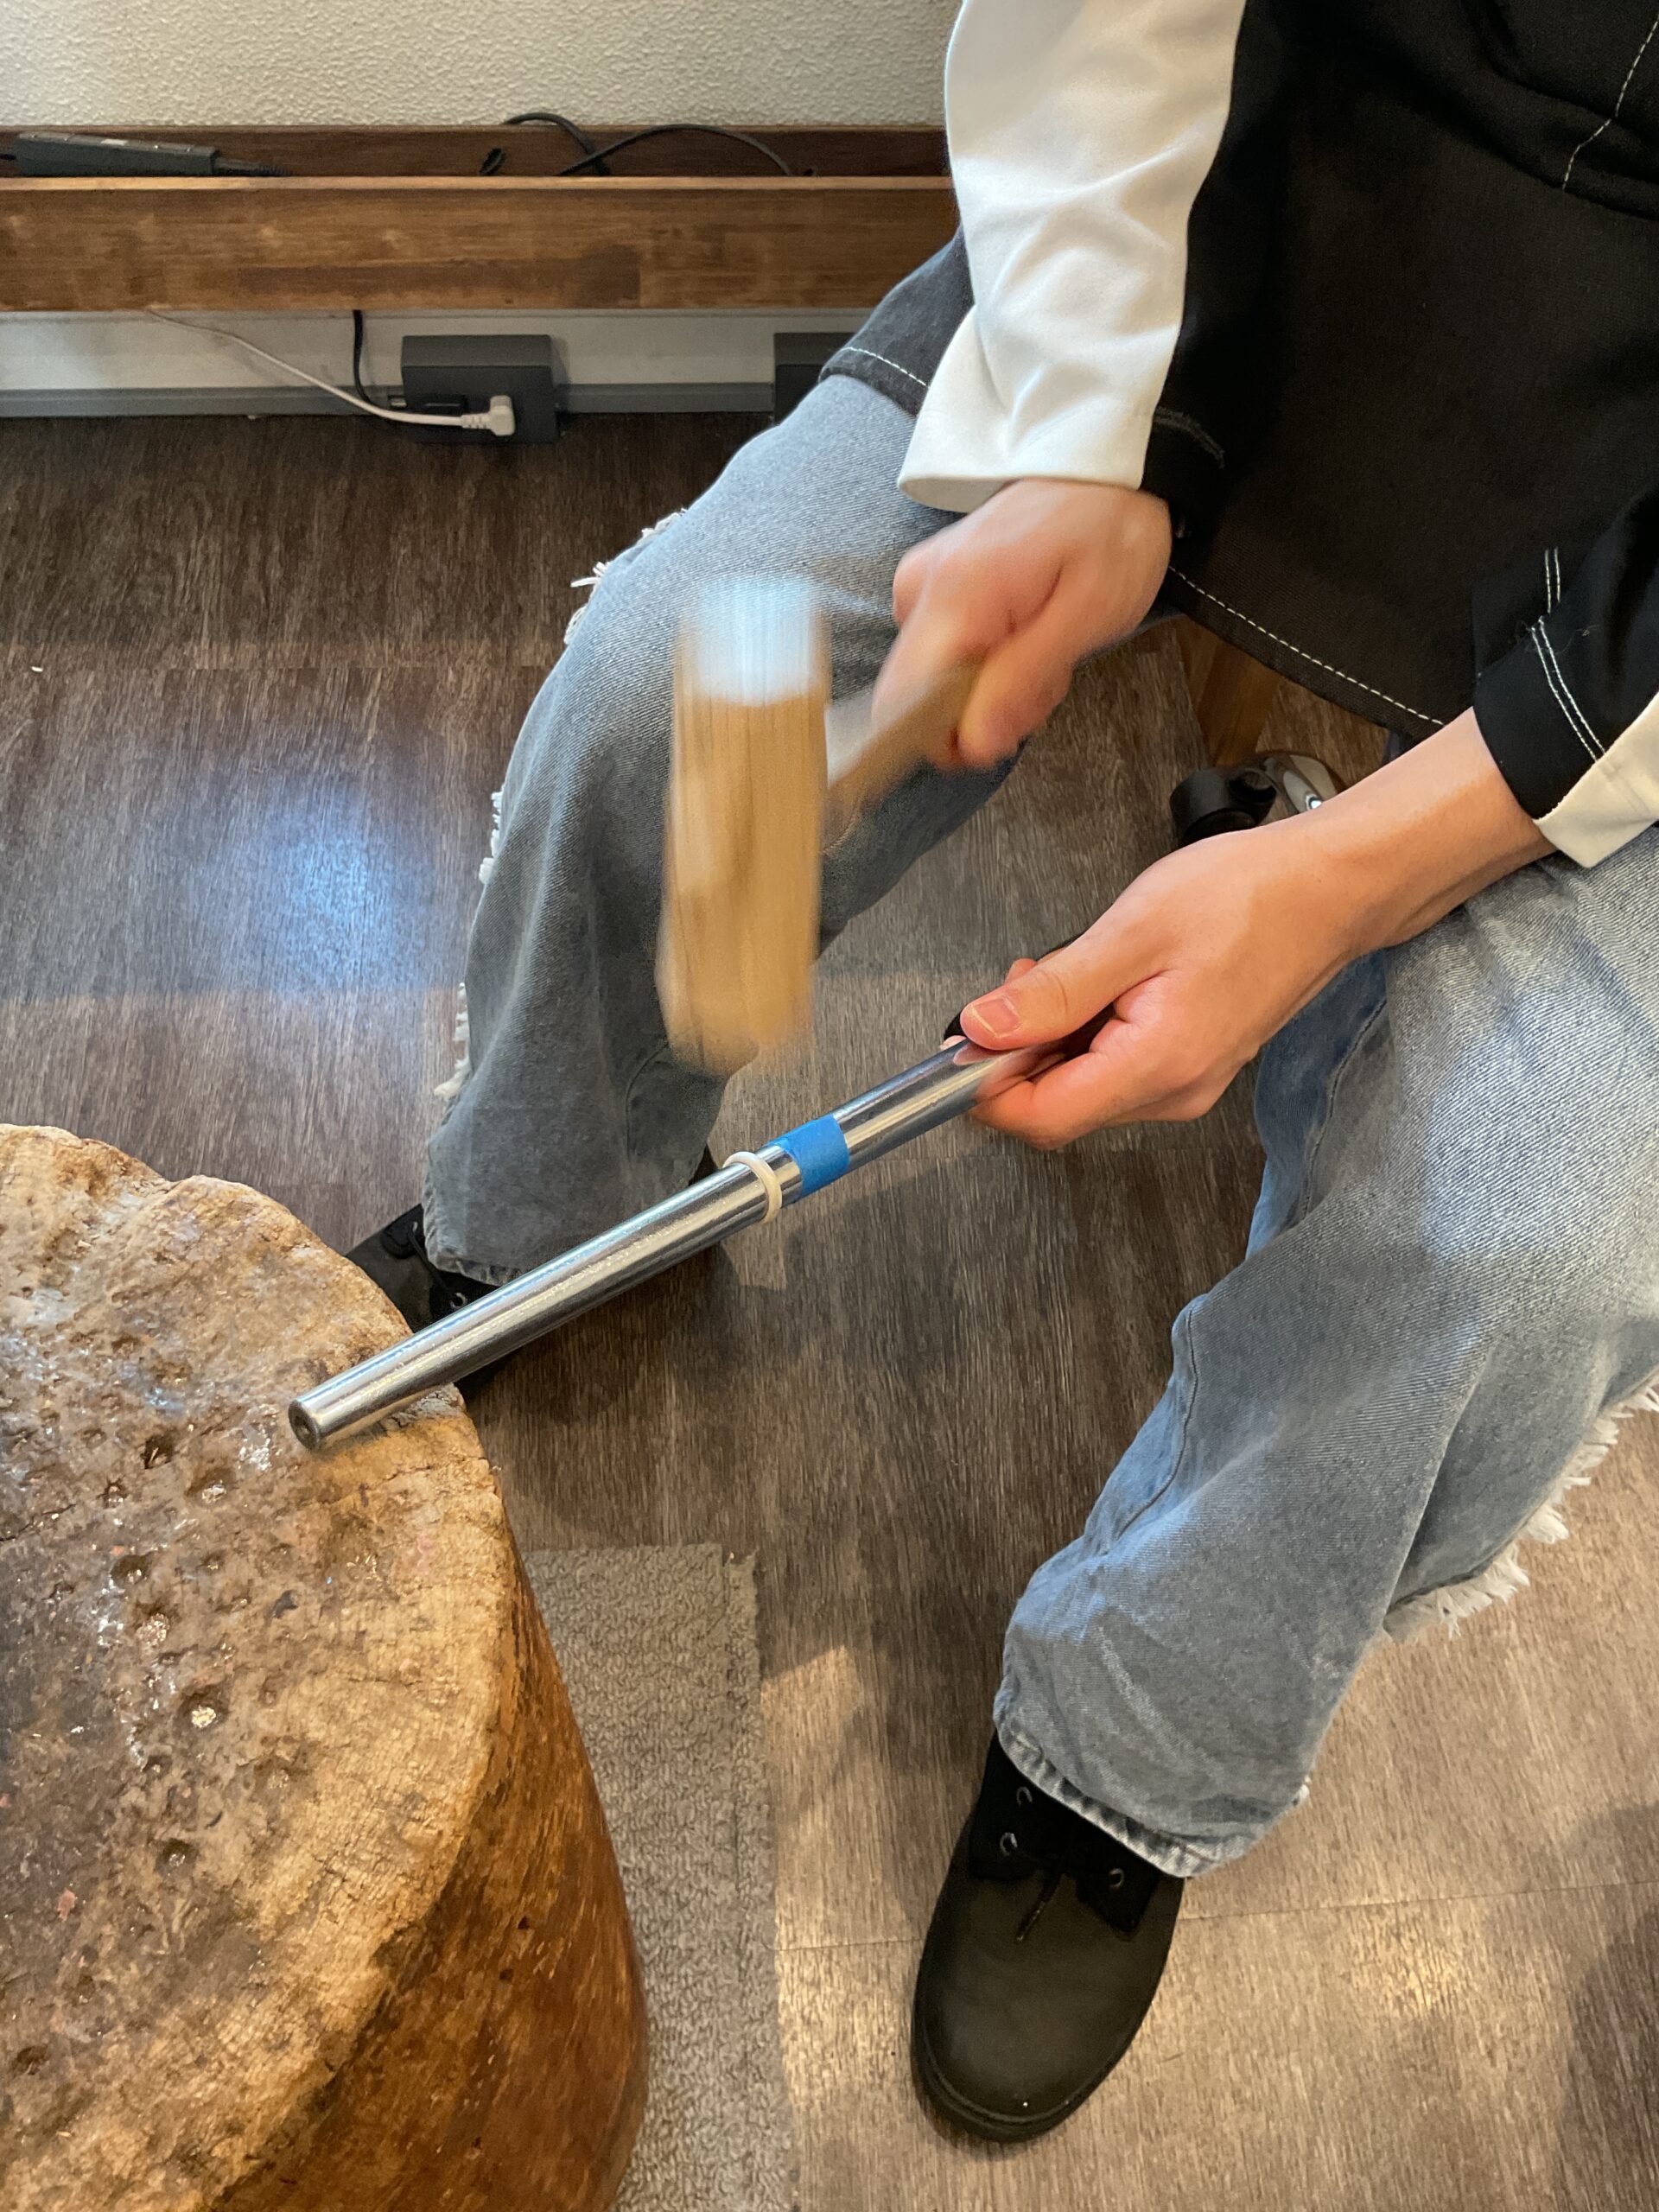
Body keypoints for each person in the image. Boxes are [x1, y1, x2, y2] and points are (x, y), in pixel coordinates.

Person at [352, 0, 1659, 2145]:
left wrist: (1359, 871)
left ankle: (1127, 1742)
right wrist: (1089, 439)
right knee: (688, 694)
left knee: (1522, 1220)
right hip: (1225, 214)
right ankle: (566, 1202)